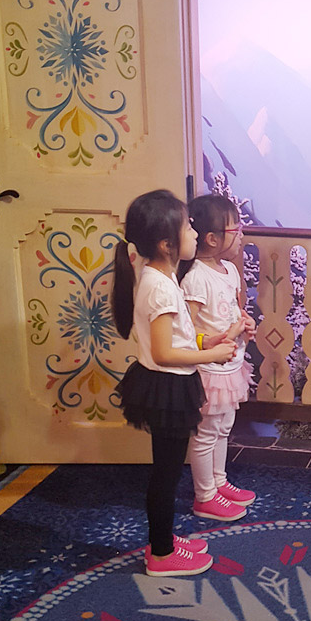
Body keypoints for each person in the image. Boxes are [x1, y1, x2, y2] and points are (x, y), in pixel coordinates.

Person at [111, 189, 236, 577]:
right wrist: (211, 356)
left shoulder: (161, 277)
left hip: (168, 385)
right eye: (188, 228)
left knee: (168, 471)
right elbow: (165, 353)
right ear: (167, 244)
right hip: (167, 386)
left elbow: (176, 335)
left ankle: (163, 540)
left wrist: (205, 341)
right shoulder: (161, 286)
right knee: (165, 476)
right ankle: (162, 555)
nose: (195, 234)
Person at [180, 194, 256, 520]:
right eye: (236, 230)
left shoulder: (230, 271)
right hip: (209, 369)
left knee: (223, 428)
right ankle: (205, 495)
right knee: (205, 434)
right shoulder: (196, 276)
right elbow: (187, 326)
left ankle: (219, 482)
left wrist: (245, 323)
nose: (241, 235)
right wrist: (218, 338)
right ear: (212, 239)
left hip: (231, 365)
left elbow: (235, 310)